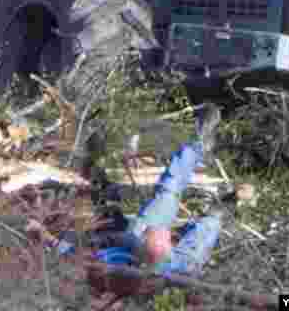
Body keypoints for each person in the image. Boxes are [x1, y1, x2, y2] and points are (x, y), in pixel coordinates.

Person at [56, 103, 225, 277]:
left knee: (165, 194)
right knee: (173, 199)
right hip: (150, 253)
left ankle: (199, 145)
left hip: (132, 240)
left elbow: (73, 249)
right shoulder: (171, 267)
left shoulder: (93, 260)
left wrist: (55, 240)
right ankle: (216, 207)